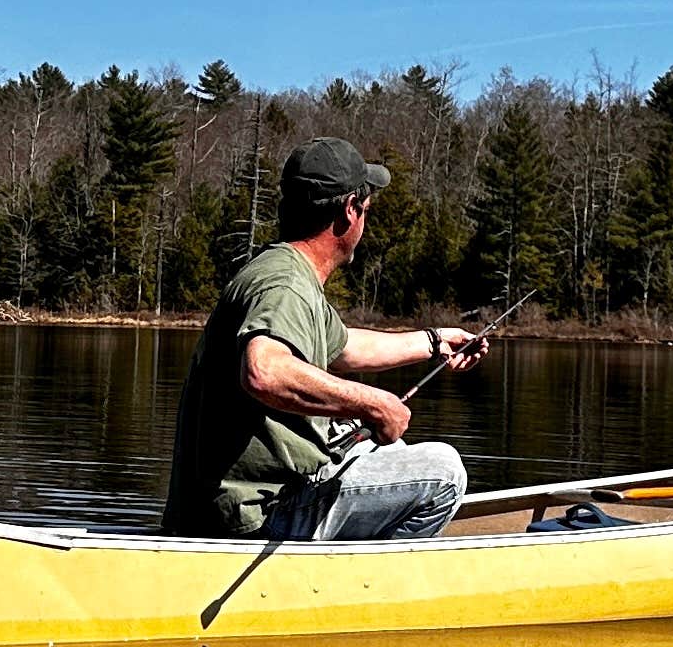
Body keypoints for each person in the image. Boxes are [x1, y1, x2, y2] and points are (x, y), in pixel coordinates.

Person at [162, 136, 492, 540]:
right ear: (350, 210)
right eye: (367, 209)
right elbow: (264, 371)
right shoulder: (285, 285)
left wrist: (433, 342)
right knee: (443, 472)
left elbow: (346, 346)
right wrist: (374, 404)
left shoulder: (284, 270)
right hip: (252, 518)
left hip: (237, 509)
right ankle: (357, 593)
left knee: (390, 452)